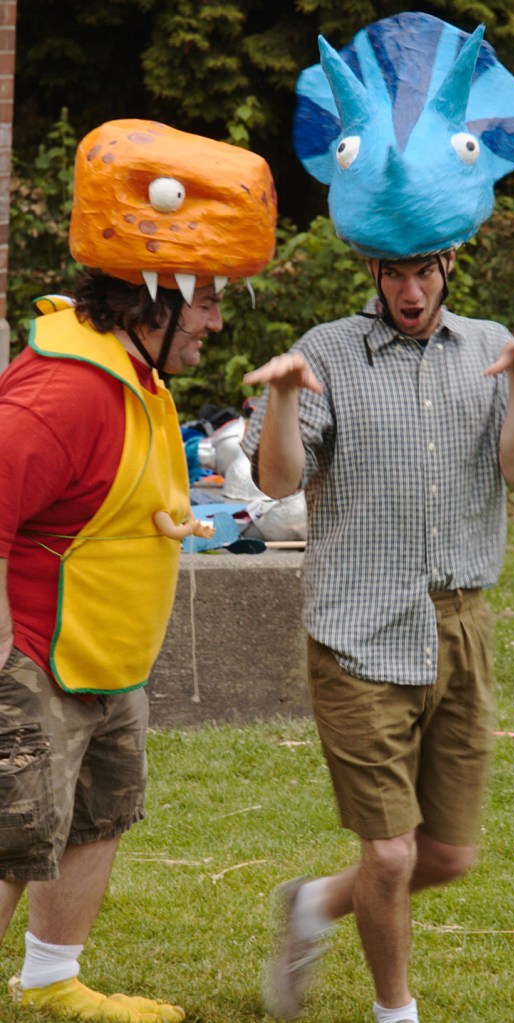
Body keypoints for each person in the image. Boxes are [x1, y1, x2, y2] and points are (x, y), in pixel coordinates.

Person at [241, 15, 514, 1023]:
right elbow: (276, 479)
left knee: (446, 856)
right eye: (396, 273)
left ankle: (313, 908)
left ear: (448, 262)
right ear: (374, 271)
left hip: (460, 625)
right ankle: (396, 1010)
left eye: (426, 271)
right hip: (356, 625)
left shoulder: (489, 347)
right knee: (389, 848)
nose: (412, 288)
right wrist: (288, 397)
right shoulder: (326, 351)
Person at [0, 118, 276, 1022]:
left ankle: (51, 977)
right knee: (11, 836)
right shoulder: (65, 391)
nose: (218, 320)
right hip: (35, 655)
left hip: (108, 655)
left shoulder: (137, 378)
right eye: (208, 302)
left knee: (96, 815)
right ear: (156, 299)